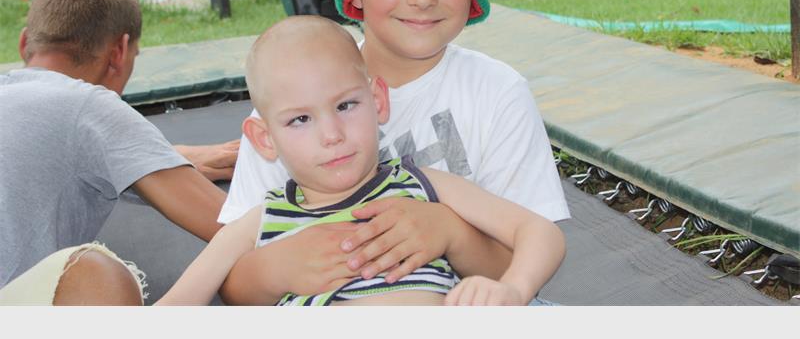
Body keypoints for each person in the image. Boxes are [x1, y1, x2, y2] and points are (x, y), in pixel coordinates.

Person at [217, 0, 570, 306]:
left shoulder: (497, 94)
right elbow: (232, 285)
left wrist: (449, 233)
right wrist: (276, 267)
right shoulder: (289, 102)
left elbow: (520, 268)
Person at [157, 16, 565, 306]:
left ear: (378, 100)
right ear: (265, 139)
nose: (331, 134)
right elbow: (176, 305)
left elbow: (540, 232)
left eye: (346, 105)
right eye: (301, 120)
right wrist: (274, 272)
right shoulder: (262, 222)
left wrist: (513, 289)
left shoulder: (422, 186)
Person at [0, 0, 231, 305]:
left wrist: (166, 158)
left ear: (24, 43)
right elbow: (228, 223)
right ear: (119, 52)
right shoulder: (88, 105)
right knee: (95, 273)